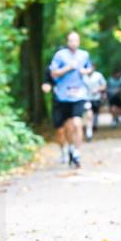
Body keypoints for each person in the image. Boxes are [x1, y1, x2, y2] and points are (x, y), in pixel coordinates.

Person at [48, 31, 92, 167]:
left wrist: (84, 71)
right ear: (67, 42)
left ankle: (77, 152)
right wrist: (68, 68)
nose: (73, 43)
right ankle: (70, 148)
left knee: (78, 123)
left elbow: (89, 68)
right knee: (66, 128)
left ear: (79, 42)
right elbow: (53, 73)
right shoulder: (60, 55)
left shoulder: (84, 55)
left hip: (79, 95)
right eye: (71, 40)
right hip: (63, 96)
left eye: (76, 40)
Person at [41, 64, 67, 163]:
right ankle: (63, 151)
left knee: (71, 126)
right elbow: (47, 82)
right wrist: (46, 86)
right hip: (57, 102)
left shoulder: (74, 66)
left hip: (73, 102)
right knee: (60, 129)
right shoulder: (50, 69)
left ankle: (73, 149)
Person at [84, 64, 107, 140]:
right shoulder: (82, 76)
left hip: (96, 98)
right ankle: (89, 132)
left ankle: (94, 124)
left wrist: (97, 90)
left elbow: (104, 85)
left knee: (95, 113)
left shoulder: (98, 75)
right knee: (89, 114)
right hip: (86, 98)